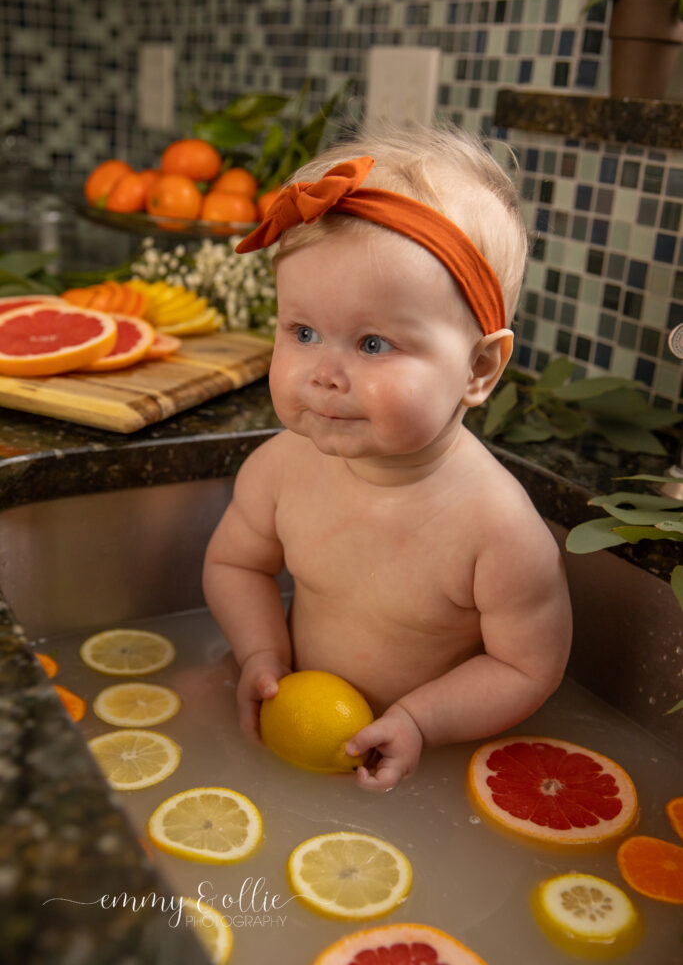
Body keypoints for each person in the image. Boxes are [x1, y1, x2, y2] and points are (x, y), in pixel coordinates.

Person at [202, 124, 572, 793]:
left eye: (373, 344)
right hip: (296, 732)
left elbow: (527, 669)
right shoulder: (280, 469)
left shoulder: (497, 530)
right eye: (303, 332)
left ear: (478, 368)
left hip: (435, 767)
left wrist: (422, 722)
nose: (324, 372)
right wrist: (260, 651)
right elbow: (234, 564)